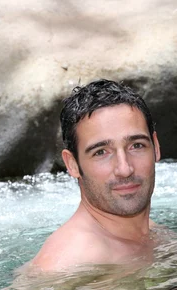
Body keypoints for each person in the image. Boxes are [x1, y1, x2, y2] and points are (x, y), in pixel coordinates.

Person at [29, 79, 161, 272]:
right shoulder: (71, 265)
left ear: (156, 147)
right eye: (100, 152)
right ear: (72, 164)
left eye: (136, 145)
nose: (125, 169)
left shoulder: (154, 233)